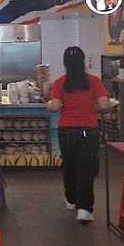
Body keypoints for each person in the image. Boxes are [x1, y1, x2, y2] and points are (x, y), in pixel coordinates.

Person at [48, 46, 111, 223]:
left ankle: (71, 199)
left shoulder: (60, 82)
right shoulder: (94, 81)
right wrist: (92, 106)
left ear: (65, 63)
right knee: (86, 169)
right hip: (88, 130)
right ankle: (84, 209)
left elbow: (54, 106)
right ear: (83, 61)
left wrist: (49, 105)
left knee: (69, 166)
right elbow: (104, 105)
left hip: (66, 130)